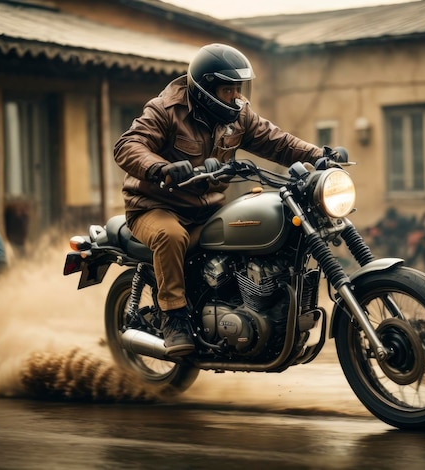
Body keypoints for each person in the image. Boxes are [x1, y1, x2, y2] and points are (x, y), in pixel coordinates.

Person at [114, 43, 329, 356]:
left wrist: (319, 154)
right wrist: (160, 168)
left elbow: (277, 141)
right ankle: (174, 317)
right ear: (206, 89)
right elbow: (128, 145)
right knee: (170, 236)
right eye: (229, 90)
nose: (237, 97)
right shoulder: (165, 110)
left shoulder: (238, 116)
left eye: (239, 89)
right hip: (155, 207)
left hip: (206, 209)